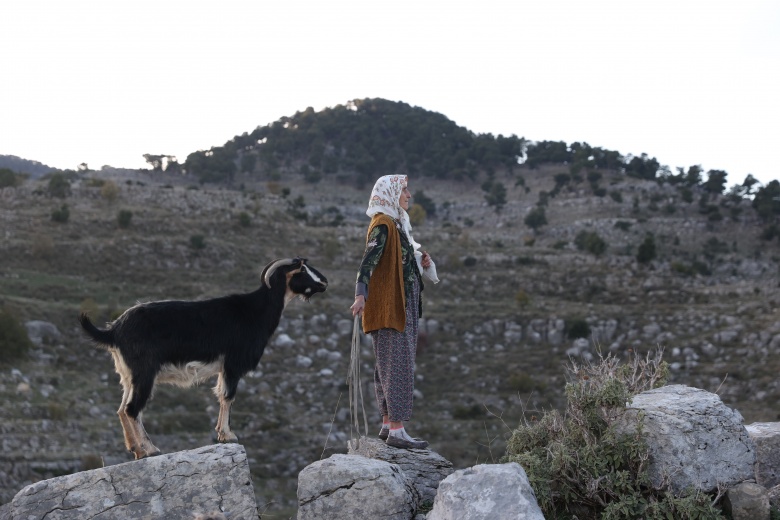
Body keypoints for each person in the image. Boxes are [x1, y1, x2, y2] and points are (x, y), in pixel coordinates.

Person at [350, 174, 438, 450]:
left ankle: (388, 424)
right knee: (397, 365)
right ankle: (398, 431)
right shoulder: (384, 224)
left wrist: (419, 261)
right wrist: (360, 295)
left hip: (399, 304)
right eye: (404, 190)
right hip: (391, 306)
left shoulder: (396, 225)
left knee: (387, 365)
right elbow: (368, 261)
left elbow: (395, 264)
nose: (408, 195)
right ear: (390, 194)